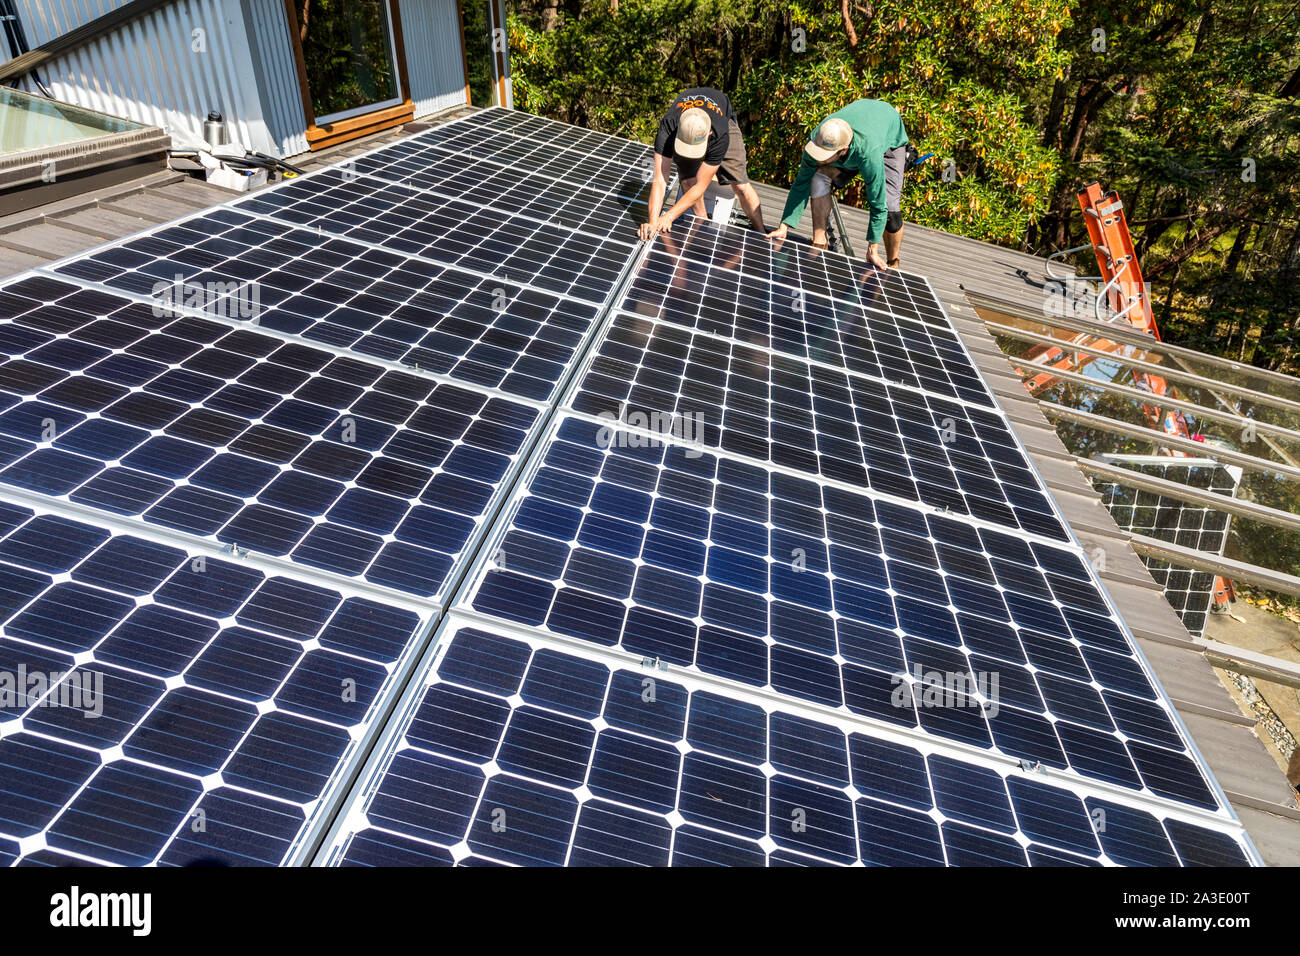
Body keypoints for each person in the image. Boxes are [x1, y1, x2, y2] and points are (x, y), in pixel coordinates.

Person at [768, 99, 909, 269]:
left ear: (843, 150)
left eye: (825, 154)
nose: (819, 157)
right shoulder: (818, 138)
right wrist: (784, 226)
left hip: (889, 138)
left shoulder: (868, 154)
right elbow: (801, 184)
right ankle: (819, 242)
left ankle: (893, 263)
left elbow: (878, 203)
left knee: (890, 208)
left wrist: (873, 249)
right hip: (860, 129)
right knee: (817, 176)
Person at [639, 88, 766, 240]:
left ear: (709, 134)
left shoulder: (720, 135)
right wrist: (652, 222)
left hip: (722, 119)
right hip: (687, 127)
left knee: (740, 185)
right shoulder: (668, 125)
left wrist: (669, 216)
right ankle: (703, 227)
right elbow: (660, 180)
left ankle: (762, 235)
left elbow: (700, 187)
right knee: (687, 182)